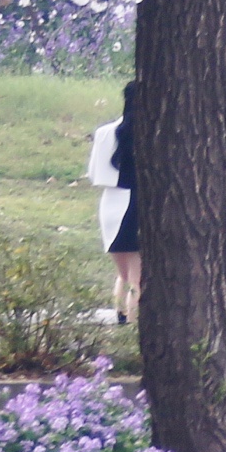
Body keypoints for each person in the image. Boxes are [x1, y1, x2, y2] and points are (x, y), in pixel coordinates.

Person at [86, 81, 140, 319]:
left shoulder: (105, 132)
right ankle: (131, 320)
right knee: (137, 276)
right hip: (135, 204)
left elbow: (95, 174)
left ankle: (120, 316)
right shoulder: (148, 134)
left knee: (123, 273)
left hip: (110, 204)